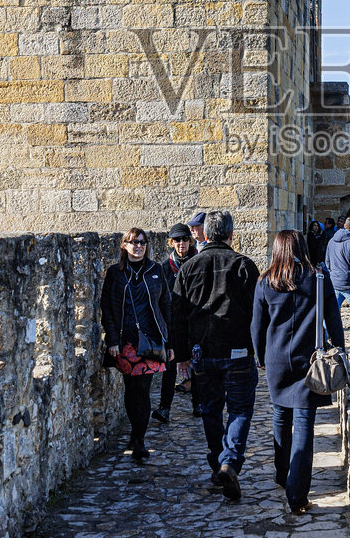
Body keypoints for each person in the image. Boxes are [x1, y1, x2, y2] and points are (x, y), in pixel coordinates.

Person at [251, 230, 346, 514]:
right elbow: (334, 319)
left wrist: (260, 357)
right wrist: (339, 350)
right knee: (304, 422)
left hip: (276, 358)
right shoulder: (319, 278)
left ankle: (282, 474)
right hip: (309, 358)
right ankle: (297, 494)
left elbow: (257, 325)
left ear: (277, 249)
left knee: (280, 415)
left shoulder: (266, 281)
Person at [172, 210, 260, 501]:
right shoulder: (244, 266)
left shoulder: (188, 268)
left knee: (210, 409)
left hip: (202, 350)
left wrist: (182, 355)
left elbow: (178, 314)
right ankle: (229, 461)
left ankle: (218, 463)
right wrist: (259, 349)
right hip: (238, 349)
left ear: (206, 235)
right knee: (240, 409)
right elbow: (257, 312)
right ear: (231, 234)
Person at [99, 228, 172, 462]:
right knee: (131, 389)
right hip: (127, 341)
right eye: (133, 242)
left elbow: (166, 305)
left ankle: (139, 440)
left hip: (151, 340)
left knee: (143, 387)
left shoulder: (156, 270)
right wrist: (112, 340)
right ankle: (135, 432)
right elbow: (107, 308)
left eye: (142, 242)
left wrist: (170, 342)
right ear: (125, 245)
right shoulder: (115, 273)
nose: (138, 246)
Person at [152, 223, 197, 425]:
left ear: (190, 241)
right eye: (177, 240)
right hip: (172, 324)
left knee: (197, 364)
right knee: (169, 367)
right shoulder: (164, 268)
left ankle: (198, 403)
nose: (181, 243)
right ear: (171, 242)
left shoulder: (198, 262)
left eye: (185, 239)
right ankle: (165, 408)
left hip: (194, 322)